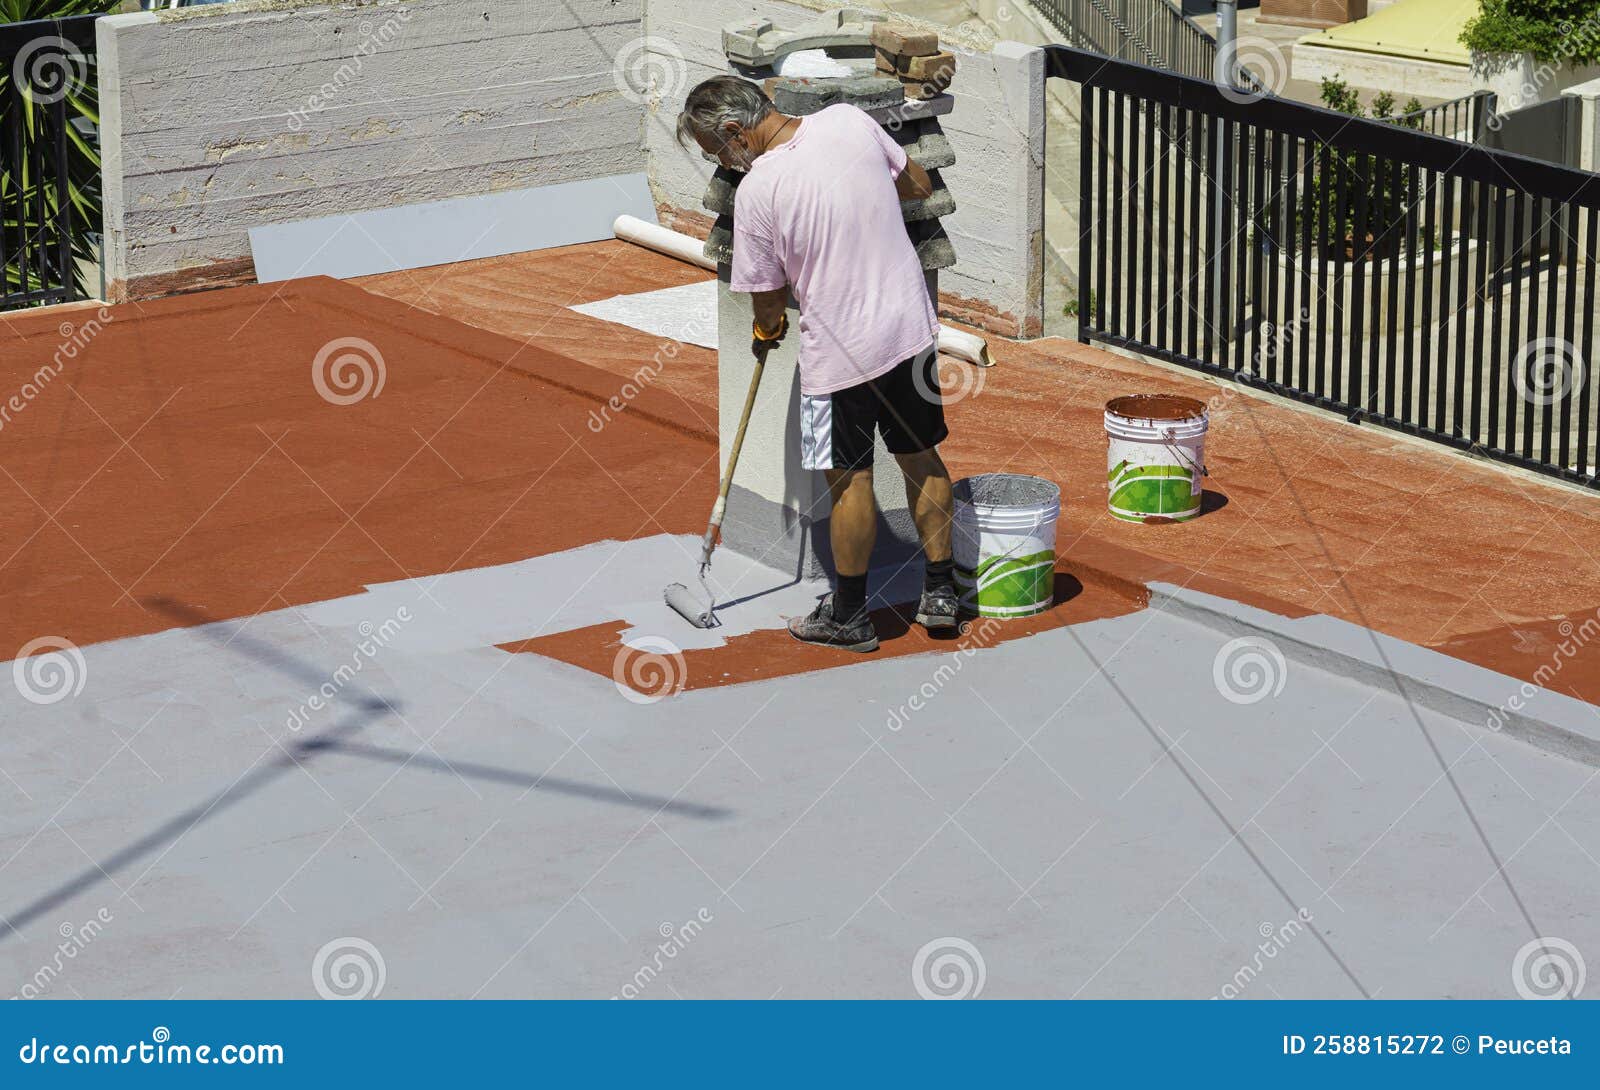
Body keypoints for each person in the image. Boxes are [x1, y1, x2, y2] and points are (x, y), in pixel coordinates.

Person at [676, 76, 959, 653]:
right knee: (921, 457)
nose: (724, 162)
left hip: (834, 362)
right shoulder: (848, 121)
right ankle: (940, 593)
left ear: (736, 132)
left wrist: (767, 331)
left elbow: (766, 296)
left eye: (718, 151)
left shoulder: (758, 192)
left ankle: (851, 617)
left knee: (847, 481)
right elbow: (917, 183)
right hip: (910, 333)